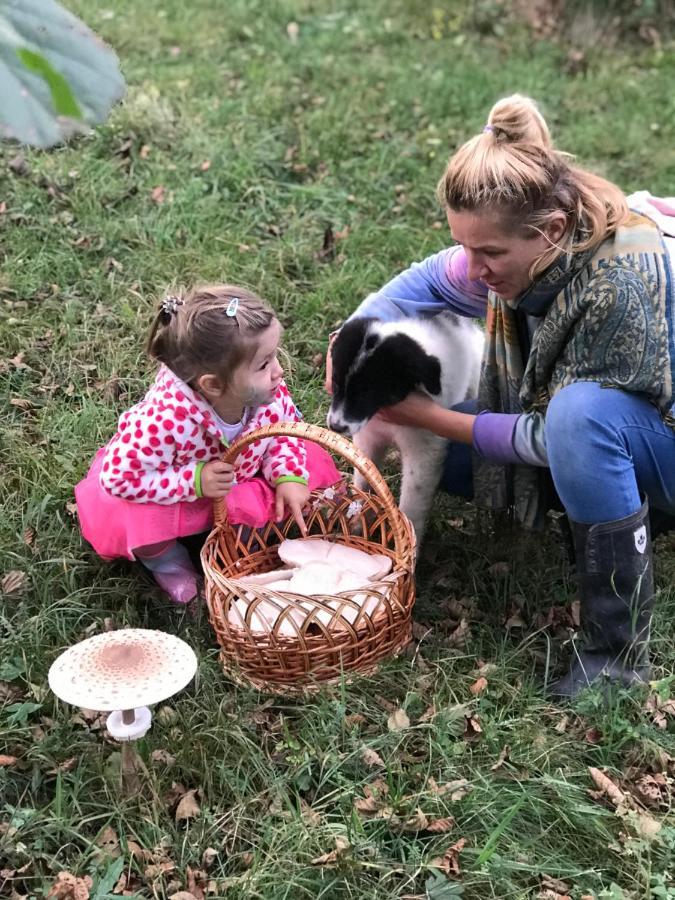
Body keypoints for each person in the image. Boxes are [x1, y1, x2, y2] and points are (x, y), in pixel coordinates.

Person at [327, 94, 675, 698]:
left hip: (660, 435)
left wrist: (433, 417)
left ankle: (617, 659)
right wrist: (352, 337)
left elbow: (555, 434)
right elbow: (417, 284)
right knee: (450, 431)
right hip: (609, 427)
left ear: (554, 232)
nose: (473, 268)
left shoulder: (618, 284)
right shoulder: (515, 241)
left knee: (577, 416)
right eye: (464, 245)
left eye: (488, 254)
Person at [76, 284, 340, 605]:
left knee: (307, 466)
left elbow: (283, 432)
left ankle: (241, 547)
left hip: (238, 481)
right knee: (134, 517)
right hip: (175, 489)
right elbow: (120, 478)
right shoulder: (164, 421)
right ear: (213, 385)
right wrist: (193, 480)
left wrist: (288, 474)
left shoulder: (267, 392)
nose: (279, 372)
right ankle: (171, 566)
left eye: (274, 357)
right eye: (264, 364)